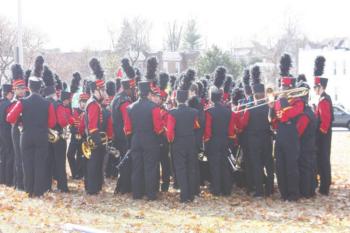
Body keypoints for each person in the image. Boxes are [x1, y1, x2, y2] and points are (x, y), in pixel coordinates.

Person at [7, 55, 57, 197]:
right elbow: (52, 123)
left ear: (28, 87)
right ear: (40, 88)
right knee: (40, 163)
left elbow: (9, 117)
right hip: (41, 136)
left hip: (26, 136)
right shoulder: (47, 103)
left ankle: (29, 190)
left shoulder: (22, 102)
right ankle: (39, 191)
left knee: (27, 163)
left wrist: (22, 120)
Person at [269, 54, 304, 201]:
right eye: (281, 86)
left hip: (291, 134)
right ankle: (284, 193)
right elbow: (274, 119)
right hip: (281, 134)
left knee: (291, 166)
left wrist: (281, 102)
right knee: (280, 165)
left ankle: (293, 194)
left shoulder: (298, 102)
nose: (282, 89)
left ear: (290, 87)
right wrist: (271, 108)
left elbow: (286, 115)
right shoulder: (278, 101)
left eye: (284, 87)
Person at [125, 80, 164, 200]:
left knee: (137, 167)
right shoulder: (154, 107)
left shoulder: (130, 107)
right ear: (148, 93)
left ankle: (137, 193)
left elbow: (127, 128)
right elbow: (158, 128)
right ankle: (151, 194)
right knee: (150, 167)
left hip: (136, 139)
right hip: (151, 140)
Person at [240, 65, 274, 197]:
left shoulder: (249, 108)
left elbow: (243, 124)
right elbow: (272, 119)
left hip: (254, 140)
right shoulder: (268, 106)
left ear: (254, 95)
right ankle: (270, 189)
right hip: (266, 138)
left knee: (257, 165)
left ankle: (259, 191)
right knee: (268, 164)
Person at [203, 66, 236, 196]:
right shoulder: (228, 111)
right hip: (225, 140)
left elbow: (208, 131)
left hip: (213, 141)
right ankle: (226, 189)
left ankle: (216, 189)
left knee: (215, 166)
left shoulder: (209, 112)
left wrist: (206, 142)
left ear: (211, 98)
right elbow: (231, 129)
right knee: (225, 165)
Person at [84, 58, 112, 195]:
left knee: (96, 164)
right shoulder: (94, 105)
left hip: (97, 139)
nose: (105, 93)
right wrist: (98, 142)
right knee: (94, 165)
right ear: (97, 91)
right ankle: (92, 189)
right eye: (103, 90)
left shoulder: (95, 103)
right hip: (95, 139)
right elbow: (93, 126)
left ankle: (95, 187)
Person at [166, 89, 200, 202]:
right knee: (191, 168)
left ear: (176, 99)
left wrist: (171, 141)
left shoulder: (172, 113)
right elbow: (196, 127)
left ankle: (184, 196)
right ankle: (191, 195)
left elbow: (170, 132)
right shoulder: (194, 112)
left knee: (180, 169)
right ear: (187, 99)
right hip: (190, 141)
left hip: (178, 143)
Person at [112, 58, 136, 194]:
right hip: (124, 136)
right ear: (129, 89)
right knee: (126, 162)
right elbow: (128, 121)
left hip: (117, 134)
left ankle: (121, 187)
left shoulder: (116, 97)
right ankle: (124, 187)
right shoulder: (125, 101)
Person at [313, 56, 334, 196]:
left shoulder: (323, 101)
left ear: (320, 87)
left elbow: (325, 121)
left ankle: (325, 187)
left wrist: (320, 134)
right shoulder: (322, 99)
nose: (314, 89)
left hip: (323, 135)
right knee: (323, 160)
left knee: (324, 160)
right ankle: (324, 185)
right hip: (323, 135)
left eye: (315, 86)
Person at [295, 77, 317, 198]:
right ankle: (310, 190)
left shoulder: (305, 114)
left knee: (304, 168)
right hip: (310, 144)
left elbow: (298, 132)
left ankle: (306, 192)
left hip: (305, 145)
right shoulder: (310, 110)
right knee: (310, 167)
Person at [9, 64, 27, 190]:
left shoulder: (26, 100)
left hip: (26, 132)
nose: (21, 90)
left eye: (23, 88)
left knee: (25, 157)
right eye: (19, 89)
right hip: (16, 131)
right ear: (14, 90)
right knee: (19, 157)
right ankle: (19, 184)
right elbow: (11, 119)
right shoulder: (13, 103)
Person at [0, 83, 15, 186]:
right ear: (9, 93)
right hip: (7, 131)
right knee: (10, 154)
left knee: (2, 154)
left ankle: (1, 178)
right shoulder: (9, 104)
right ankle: (8, 180)